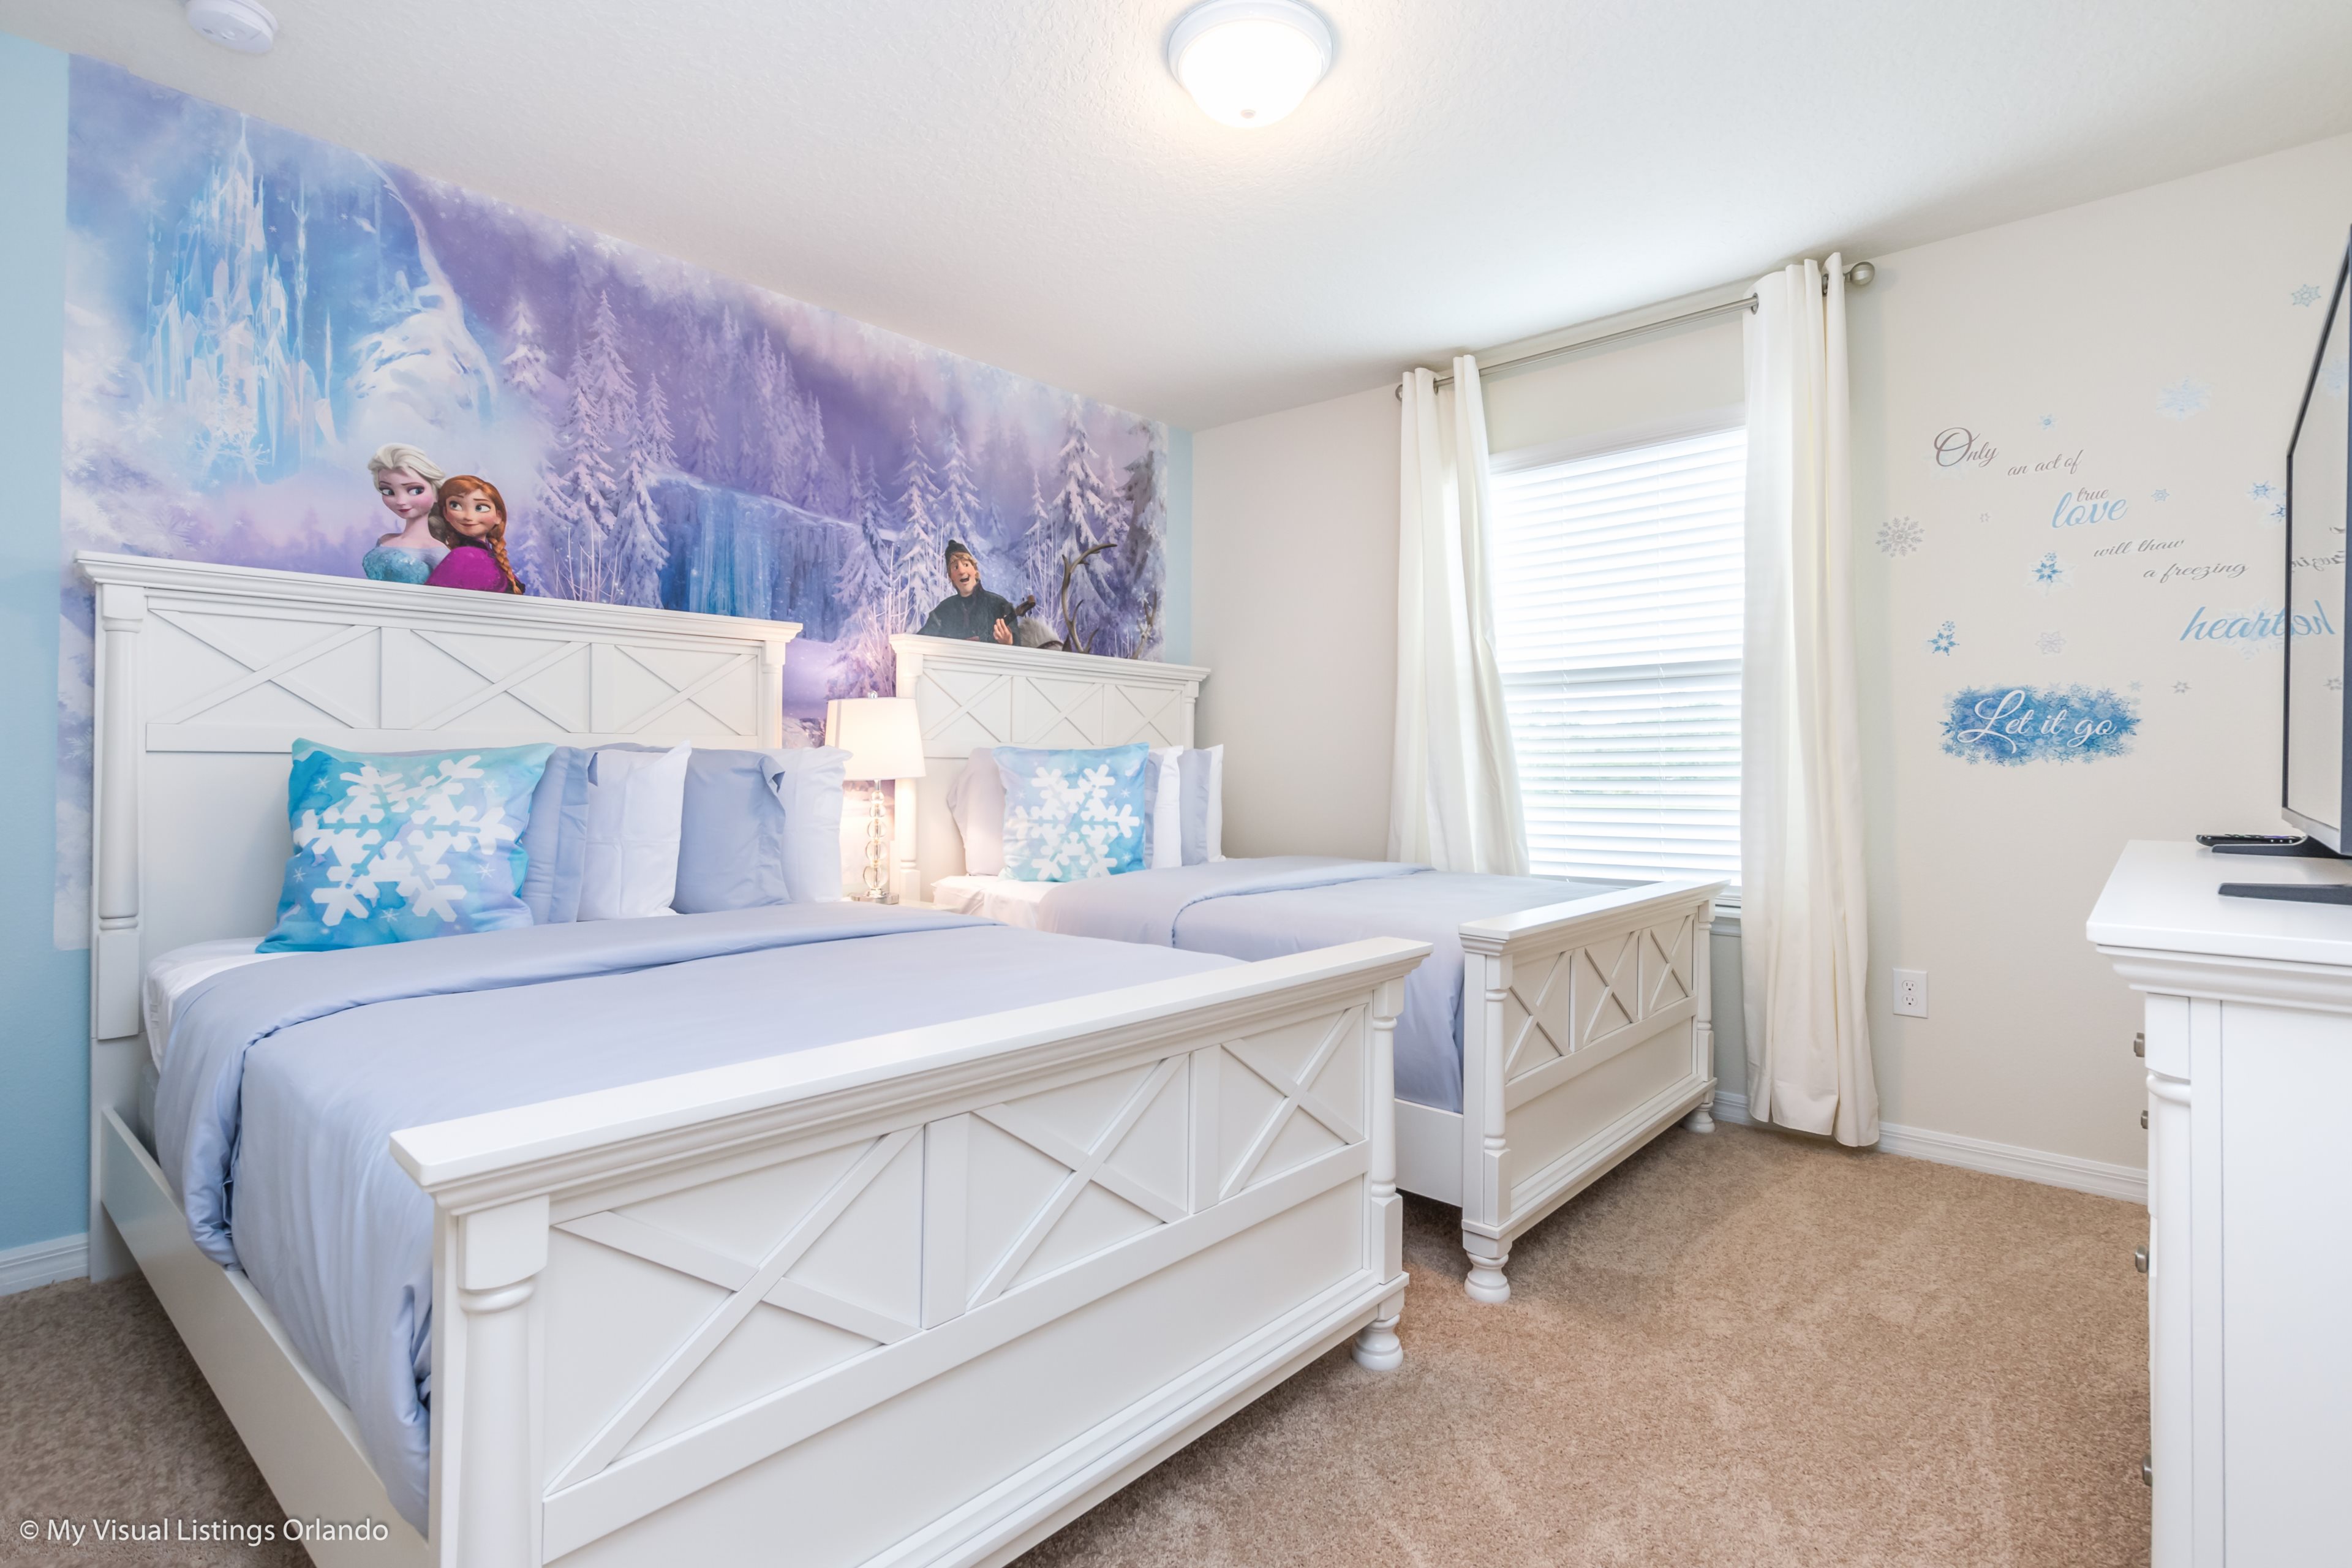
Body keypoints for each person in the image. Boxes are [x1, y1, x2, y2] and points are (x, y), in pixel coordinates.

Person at [361, 443, 450, 584]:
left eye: (416, 491)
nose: (400, 501)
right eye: (388, 491)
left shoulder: (436, 552)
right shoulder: (384, 540)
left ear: (436, 494)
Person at [424, 477, 526, 595]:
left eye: (480, 508)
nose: (469, 517)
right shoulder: (463, 556)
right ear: (446, 513)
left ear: (498, 516)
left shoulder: (487, 557)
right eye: (455, 505)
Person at [918, 540, 1020, 643]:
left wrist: (1009, 642)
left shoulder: (1000, 605)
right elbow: (919, 642)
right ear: (951, 577)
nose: (962, 571)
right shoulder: (942, 612)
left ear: (975, 570)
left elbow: (1019, 648)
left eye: (966, 565)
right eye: (956, 567)